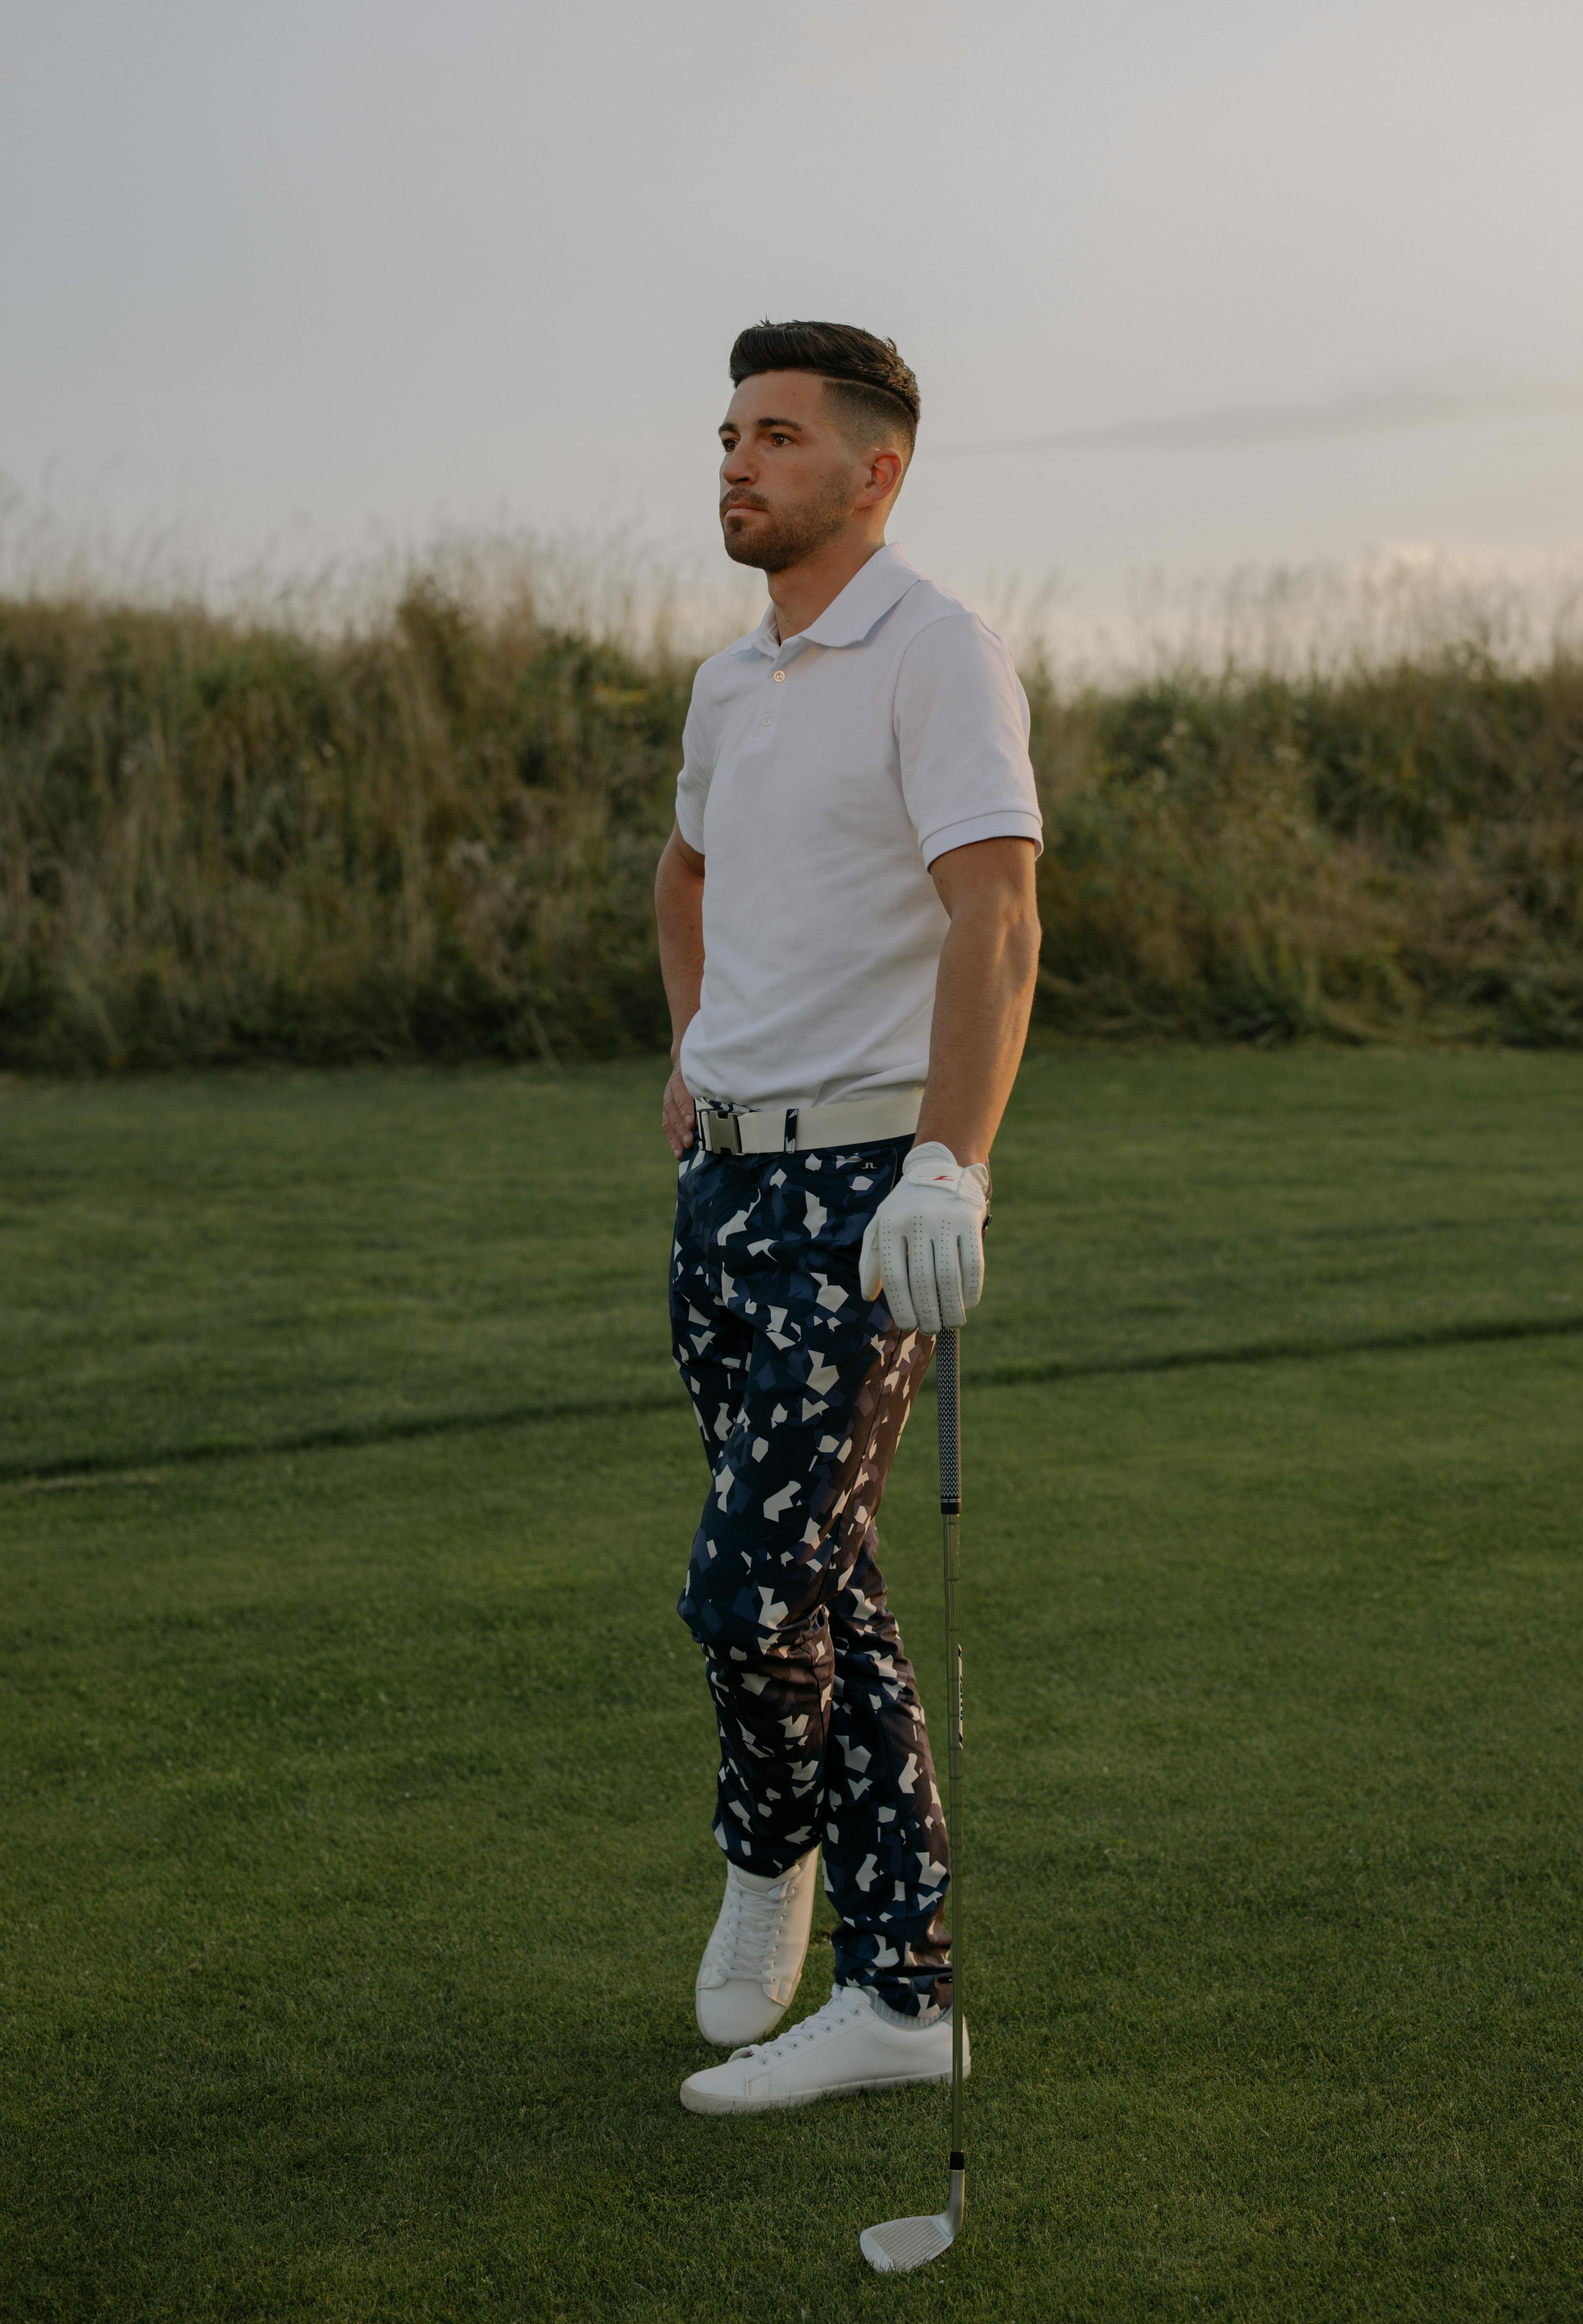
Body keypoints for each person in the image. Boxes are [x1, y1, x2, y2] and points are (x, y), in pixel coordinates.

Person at [655, 318, 1042, 2116]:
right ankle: (895, 1985)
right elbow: (690, 868)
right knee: (831, 1585)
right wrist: (691, 1047)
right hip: (722, 1182)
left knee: (753, 1592)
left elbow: (997, 916)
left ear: (874, 471)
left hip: (858, 1196)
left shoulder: (938, 651)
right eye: (729, 432)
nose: (736, 462)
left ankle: (782, 1878)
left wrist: (949, 1163)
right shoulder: (732, 686)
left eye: (778, 437)